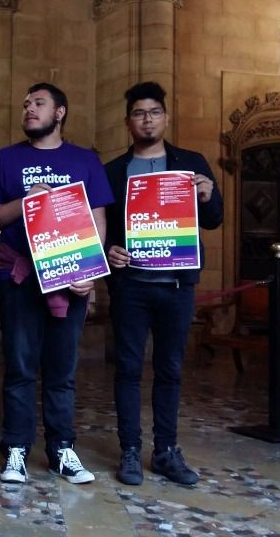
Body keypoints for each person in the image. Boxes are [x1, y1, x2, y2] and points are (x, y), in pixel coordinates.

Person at [0, 82, 113, 484]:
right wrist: (25, 202)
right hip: (19, 276)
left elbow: (98, 219)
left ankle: (61, 449)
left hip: (69, 277)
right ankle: (17, 448)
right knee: (20, 366)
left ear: (60, 112)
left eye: (38, 103)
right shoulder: (6, 159)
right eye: (25, 103)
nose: (28, 108)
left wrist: (90, 272)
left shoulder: (86, 160)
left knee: (62, 369)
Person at [104, 81, 223, 486]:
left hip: (176, 284)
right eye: (139, 113)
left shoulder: (191, 163)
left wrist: (208, 194)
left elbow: (213, 220)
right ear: (128, 122)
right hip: (131, 286)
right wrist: (109, 251)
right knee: (128, 368)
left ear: (166, 118)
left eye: (154, 112)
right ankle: (131, 451)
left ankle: (167, 450)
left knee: (171, 368)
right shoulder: (114, 171)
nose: (147, 119)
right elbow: (101, 230)